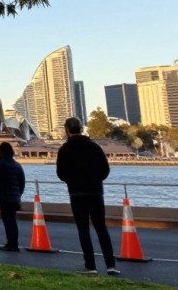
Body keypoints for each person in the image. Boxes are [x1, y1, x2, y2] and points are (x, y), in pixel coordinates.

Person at [56, 116, 119, 276]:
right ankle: (110, 265)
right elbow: (105, 170)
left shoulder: (65, 149)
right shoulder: (94, 147)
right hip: (95, 192)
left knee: (83, 229)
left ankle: (90, 265)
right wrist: (95, 180)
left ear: (67, 131)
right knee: (101, 228)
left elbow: (61, 173)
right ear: (80, 129)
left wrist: (73, 181)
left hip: (77, 194)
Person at [0, 141, 24, 252]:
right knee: (13, 220)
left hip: (4, 198)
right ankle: (14, 243)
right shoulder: (17, 165)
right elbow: (22, 182)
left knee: (8, 221)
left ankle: (11, 244)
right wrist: (18, 194)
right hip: (15, 197)